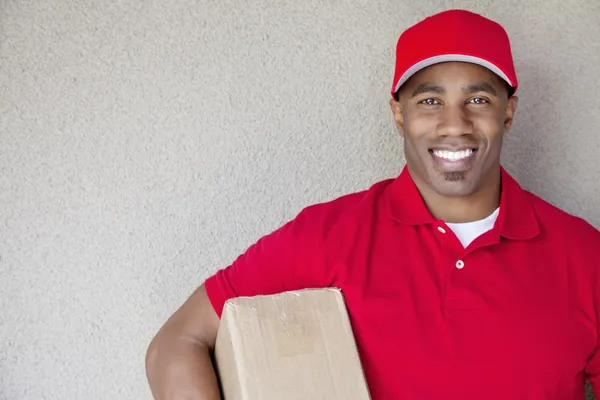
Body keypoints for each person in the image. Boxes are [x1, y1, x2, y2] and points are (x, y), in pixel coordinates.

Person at [145, 9, 600, 400]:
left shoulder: (585, 256)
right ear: (399, 114)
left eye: (478, 99)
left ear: (508, 112)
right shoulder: (330, 235)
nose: (454, 124)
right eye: (430, 100)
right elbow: (178, 341)